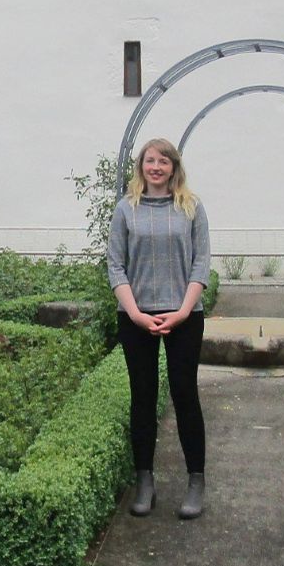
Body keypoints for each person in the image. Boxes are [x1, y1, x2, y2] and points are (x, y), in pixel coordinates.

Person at [107, 138, 211, 519]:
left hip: (184, 315)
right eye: (150, 161)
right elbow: (115, 266)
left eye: (163, 161)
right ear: (141, 167)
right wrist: (134, 313)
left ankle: (196, 481)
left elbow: (202, 264)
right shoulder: (126, 210)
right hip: (137, 317)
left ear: (173, 167)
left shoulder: (191, 207)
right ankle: (144, 481)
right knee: (143, 397)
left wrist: (184, 310)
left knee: (185, 394)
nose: (156, 167)